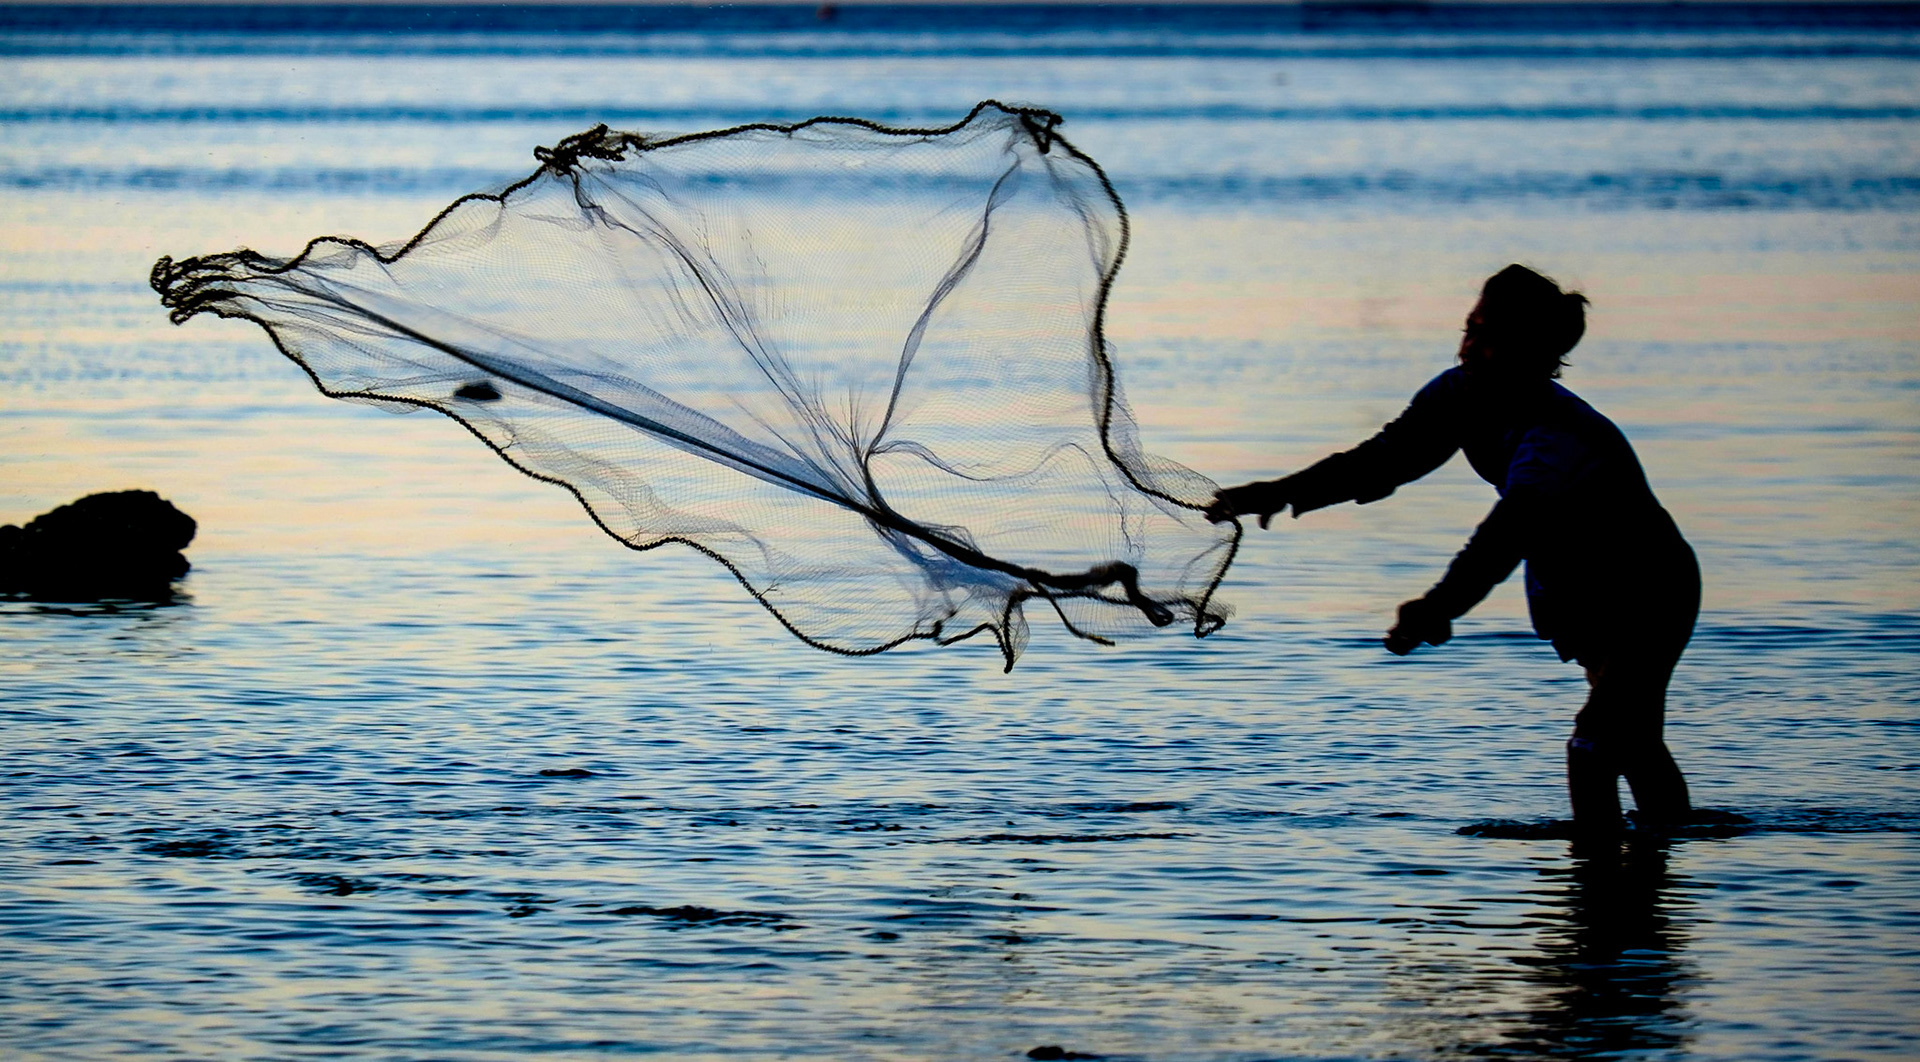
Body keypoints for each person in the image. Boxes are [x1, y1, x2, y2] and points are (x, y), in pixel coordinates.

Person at [1207, 265, 1698, 836]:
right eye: (1469, 328)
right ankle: (1659, 871)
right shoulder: (1460, 392)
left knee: (1595, 743)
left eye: (1488, 337)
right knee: (1631, 740)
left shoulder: (1559, 439)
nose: (1468, 347)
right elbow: (1385, 459)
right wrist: (1282, 491)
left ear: (1534, 352)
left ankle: (1600, 886)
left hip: (1649, 591)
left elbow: (1503, 537)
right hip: (1576, 590)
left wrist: (1439, 605)